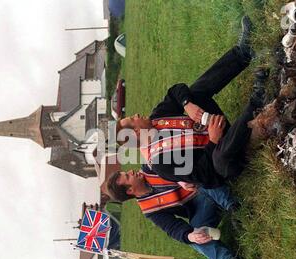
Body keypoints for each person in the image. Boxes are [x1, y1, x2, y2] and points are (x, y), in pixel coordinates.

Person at [115, 16, 270, 188]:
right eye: (132, 118)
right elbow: (203, 174)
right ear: (136, 132)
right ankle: (258, 99)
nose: (136, 115)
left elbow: (175, 91)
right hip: (224, 160)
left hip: (216, 127)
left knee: (194, 93)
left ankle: (243, 52)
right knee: (220, 158)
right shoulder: (160, 163)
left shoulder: (157, 117)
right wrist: (213, 140)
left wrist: (187, 104)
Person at [106, 165, 243, 259]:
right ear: (130, 190)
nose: (131, 171)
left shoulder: (151, 167)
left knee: (200, 178)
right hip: (202, 207)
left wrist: (182, 178)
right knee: (194, 238)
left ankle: (236, 209)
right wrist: (190, 236)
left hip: (205, 182)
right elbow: (172, 227)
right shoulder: (148, 209)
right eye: (128, 176)